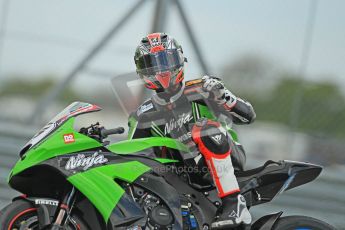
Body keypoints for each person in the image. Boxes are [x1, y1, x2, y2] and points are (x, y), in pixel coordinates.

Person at [128, 32, 255, 229]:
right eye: (152, 64)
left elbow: (248, 116)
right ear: (142, 70)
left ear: (178, 59)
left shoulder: (204, 88)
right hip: (182, 179)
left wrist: (225, 97)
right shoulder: (141, 115)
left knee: (203, 128)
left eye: (165, 61)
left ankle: (234, 203)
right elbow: (134, 157)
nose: (161, 70)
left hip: (228, 159)